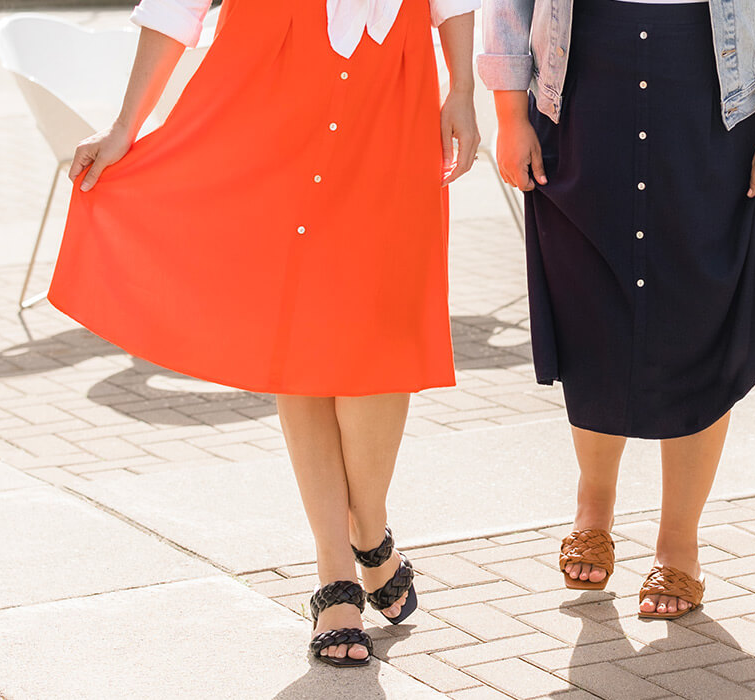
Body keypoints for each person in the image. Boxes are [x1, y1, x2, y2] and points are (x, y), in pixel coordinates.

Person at [50, 0, 480, 667]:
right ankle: (336, 576)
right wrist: (125, 126)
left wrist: (463, 88)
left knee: (381, 333)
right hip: (270, 84)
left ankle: (369, 533)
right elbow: (176, 6)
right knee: (301, 334)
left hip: (393, 89)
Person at [480, 0, 755, 619]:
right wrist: (509, 113)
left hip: (713, 82)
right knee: (591, 308)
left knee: (701, 314)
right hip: (582, 74)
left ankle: (678, 542)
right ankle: (594, 507)